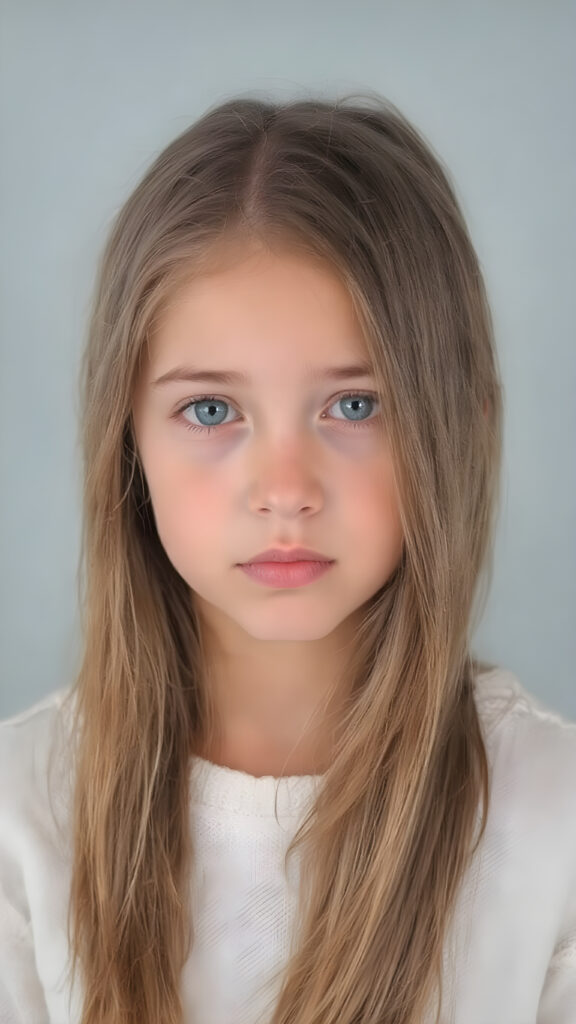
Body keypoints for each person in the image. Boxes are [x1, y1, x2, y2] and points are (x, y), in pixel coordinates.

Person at [0, 92, 574, 1024]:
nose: (284, 488)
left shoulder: (552, 819)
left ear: (456, 432)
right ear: (126, 442)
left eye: (355, 406)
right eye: (211, 411)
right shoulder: (21, 818)